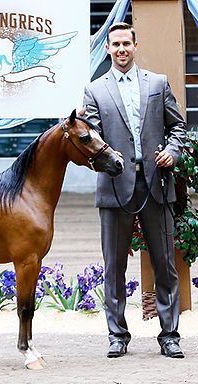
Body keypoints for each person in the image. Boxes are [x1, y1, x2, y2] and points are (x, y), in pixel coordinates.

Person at [83, 22, 186, 358]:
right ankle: (117, 335)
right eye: (115, 44)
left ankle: (169, 335)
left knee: (164, 263)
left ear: (135, 45)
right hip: (114, 187)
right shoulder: (94, 91)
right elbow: (93, 143)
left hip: (156, 183)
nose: (121, 49)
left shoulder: (157, 83)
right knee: (113, 266)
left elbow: (178, 128)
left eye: (126, 43)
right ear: (109, 49)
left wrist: (172, 152)